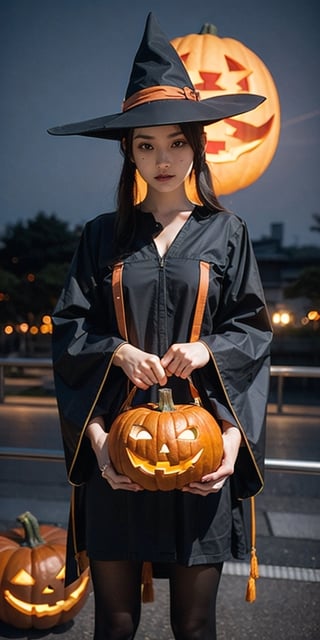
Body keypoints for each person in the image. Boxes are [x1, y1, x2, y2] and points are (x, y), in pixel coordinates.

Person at [48, 13, 272, 640]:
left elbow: (252, 335)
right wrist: (111, 370)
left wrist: (211, 371)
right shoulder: (101, 238)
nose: (162, 158)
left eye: (176, 141)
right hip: (119, 448)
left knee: (195, 626)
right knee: (115, 624)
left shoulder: (227, 235)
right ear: (129, 152)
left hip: (202, 452)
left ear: (198, 145)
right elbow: (69, 335)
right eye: (145, 144)